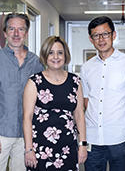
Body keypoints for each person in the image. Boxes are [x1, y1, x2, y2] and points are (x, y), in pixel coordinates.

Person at [0, 13, 44, 171]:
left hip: (26, 136)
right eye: (12, 29)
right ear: (5, 33)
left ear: (26, 34)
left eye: (20, 29)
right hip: (0, 133)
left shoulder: (36, 63)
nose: (16, 34)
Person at [81, 16, 125, 171]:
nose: (101, 39)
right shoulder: (86, 67)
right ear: (91, 39)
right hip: (92, 138)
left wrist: (124, 122)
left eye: (105, 34)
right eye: (96, 35)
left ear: (113, 35)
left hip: (119, 138)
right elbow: (86, 99)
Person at [23, 36, 87, 170]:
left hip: (67, 147)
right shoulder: (35, 81)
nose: (56, 57)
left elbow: (79, 114)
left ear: (66, 55)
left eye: (60, 52)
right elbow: (27, 118)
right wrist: (29, 149)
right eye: (51, 52)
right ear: (45, 55)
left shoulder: (75, 82)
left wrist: (82, 145)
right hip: (40, 148)